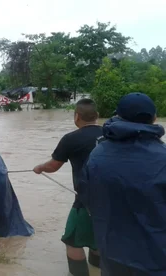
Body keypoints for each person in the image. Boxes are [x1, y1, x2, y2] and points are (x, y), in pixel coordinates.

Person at [78, 93, 166, 276]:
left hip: (113, 257)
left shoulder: (97, 155)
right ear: (155, 118)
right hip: (157, 260)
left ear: (117, 116)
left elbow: (87, 199)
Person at [33, 98, 102, 276]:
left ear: (76, 116)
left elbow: (54, 166)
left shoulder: (71, 139)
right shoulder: (110, 135)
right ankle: (98, 269)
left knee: (72, 242)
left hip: (85, 198)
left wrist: (40, 168)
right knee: (99, 237)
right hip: (113, 197)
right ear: (97, 116)